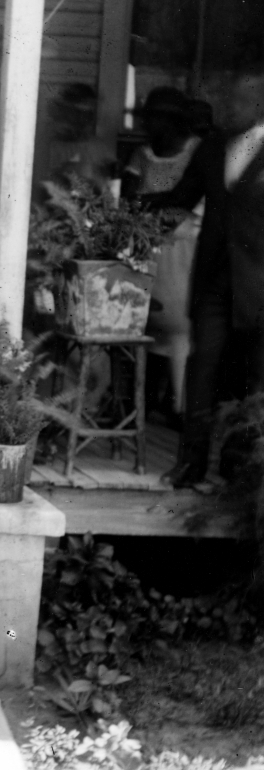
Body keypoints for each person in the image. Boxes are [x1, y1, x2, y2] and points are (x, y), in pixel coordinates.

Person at [163, 72, 264, 487]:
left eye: (238, 101)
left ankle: (238, 467)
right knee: (202, 367)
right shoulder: (211, 146)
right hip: (214, 281)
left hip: (259, 283)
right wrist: (128, 212)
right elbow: (180, 199)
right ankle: (190, 465)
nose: (227, 108)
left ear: (260, 104)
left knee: (252, 378)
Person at [123, 87, 204, 416]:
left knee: (180, 324)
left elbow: (198, 201)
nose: (148, 126)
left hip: (185, 251)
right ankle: (149, 401)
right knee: (146, 322)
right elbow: (130, 200)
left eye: (154, 119)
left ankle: (180, 406)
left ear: (172, 122)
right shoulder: (142, 155)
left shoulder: (197, 152)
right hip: (147, 249)